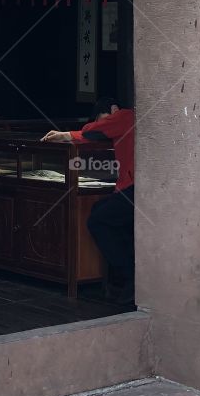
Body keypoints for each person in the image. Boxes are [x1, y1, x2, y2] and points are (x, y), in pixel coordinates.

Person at [42, 97, 135, 301]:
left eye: (103, 119)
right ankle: (126, 276)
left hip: (135, 187)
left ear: (113, 109)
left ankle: (130, 276)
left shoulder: (124, 116)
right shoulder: (125, 120)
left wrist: (66, 135)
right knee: (101, 213)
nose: (103, 124)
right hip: (131, 186)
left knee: (98, 221)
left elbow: (95, 130)